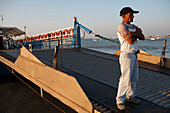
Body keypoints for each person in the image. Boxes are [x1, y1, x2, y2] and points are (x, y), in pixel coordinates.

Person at [116, 7, 145, 110]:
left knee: (133, 78)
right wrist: (136, 33)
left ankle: (130, 96)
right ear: (124, 16)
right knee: (125, 79)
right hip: (126, 55)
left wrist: (134, 34)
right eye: (130, 14)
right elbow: (130, 41)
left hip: (134, 55)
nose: (133, 16)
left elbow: (143, 37)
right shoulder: (122, 26)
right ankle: (120, 100)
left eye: (133, 14)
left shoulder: (133, 26)